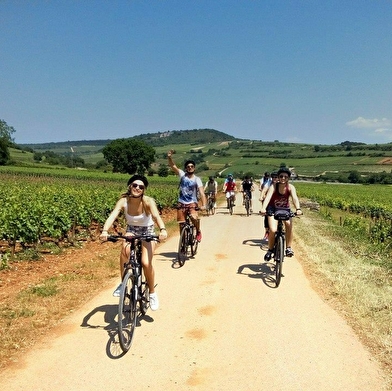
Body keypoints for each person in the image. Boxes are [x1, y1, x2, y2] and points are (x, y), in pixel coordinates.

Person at [100, 174, 167, 310]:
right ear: (130, 186)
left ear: (144, 190)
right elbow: (113, 215)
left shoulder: (148, 201)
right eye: (135, 185)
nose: (137, 188)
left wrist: (163, 229)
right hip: (132, 230)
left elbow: (156, 216)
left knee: (146, 262)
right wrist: (105, 231)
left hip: (147, 231)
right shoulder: (123, 201)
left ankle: (152, 293)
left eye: (141, 187)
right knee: (124, 252)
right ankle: (123, 282)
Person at [260, 167, 303, 261]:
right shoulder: (273, 186)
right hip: (273, 208)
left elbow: (295, 198)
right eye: (281, 176)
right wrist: (263, 208)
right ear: (278, 177)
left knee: (288, 225)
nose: (283, 178)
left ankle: (288, 248)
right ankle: (270, 250)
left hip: (285, 209)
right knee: (273, 229)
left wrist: (298, 209)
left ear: (288, 178)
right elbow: (268, 197)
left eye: (285, 176)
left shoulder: (291, 187)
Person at [167, 150, 207, 242]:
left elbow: (201, 193)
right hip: (181, 202)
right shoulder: (182, 175)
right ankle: (183, 242)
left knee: (194, 218)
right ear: (186, 168)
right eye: (188, 166)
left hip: (192, 203)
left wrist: (204, 204)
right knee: (181, 223)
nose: (190, 168)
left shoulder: (197, 179)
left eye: (192, 166)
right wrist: (169, 157)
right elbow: (173, 166)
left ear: (194, 168)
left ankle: (198, 231)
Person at [259, 171, 278, 240]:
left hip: (279, 203)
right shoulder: (269, 183)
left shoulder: (281, 183)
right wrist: (261, 196)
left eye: (276, 177)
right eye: (273, 177)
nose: (274, 178)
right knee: (267, 215)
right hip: (270, 201)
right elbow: (264, 190)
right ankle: (267, 231)